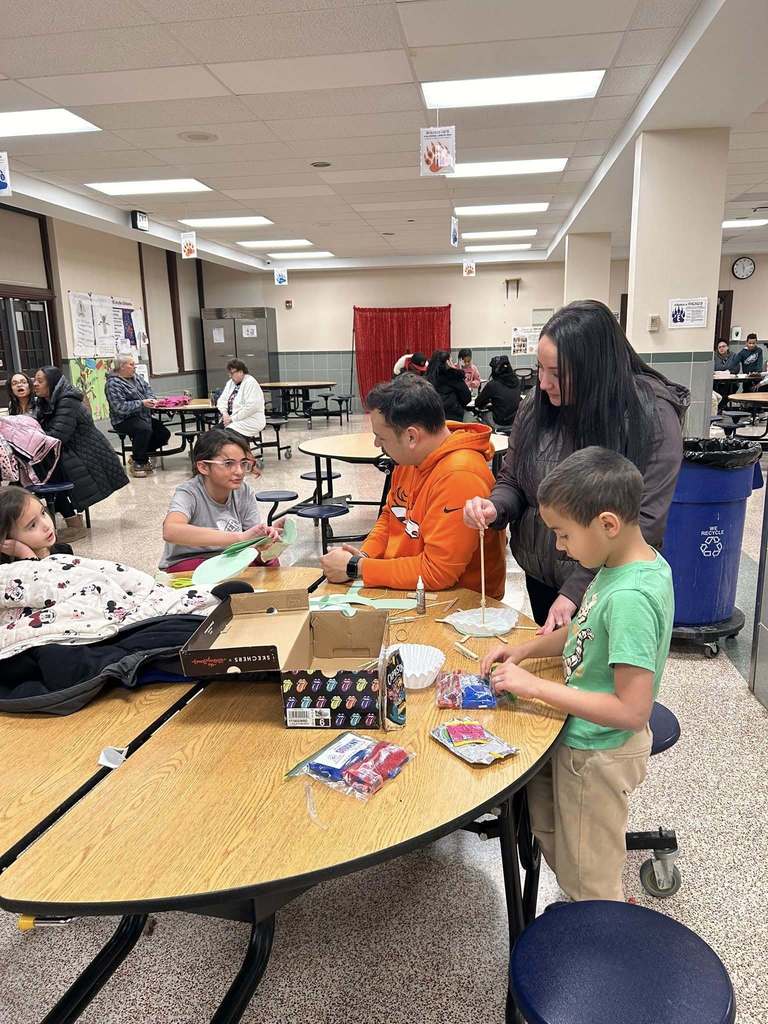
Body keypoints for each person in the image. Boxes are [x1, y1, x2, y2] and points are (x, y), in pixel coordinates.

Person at [481, 447, 673, 903]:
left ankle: (602, 927)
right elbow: (580, 633)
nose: (559, 546)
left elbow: (631, 709)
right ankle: (583, 898)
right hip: (578, 737)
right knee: (555, 834)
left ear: (607, 524)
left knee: (591, 876)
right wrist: (527, 650)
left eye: (563, 534)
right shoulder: (613, 565)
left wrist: (536, 687)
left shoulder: (630, 598)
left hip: (599, 752)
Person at [464, 300, 688, 634]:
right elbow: (514, 477)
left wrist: (575, 590)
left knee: (593, 673)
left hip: (608, 585)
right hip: (542, 573)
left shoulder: (650, 416)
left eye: (556, 374)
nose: (542, 383)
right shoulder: (536, 407)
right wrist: (495, 507)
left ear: (596, 369)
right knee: (554, 669)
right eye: (540, 369)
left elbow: (645, 520)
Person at [320, 375, 505, 596]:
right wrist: (364, 556)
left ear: (411, 437)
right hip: (413, 587)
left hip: (459, 604)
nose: (377, 444)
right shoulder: (412, 458)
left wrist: (356, 568)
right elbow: (390, 516)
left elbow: (438, 572)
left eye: (381, 437)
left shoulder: (460, 476)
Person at [160, 429, 279, 572]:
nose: (239, 471)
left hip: (229, 558)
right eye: (228, 463)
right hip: (190, 561)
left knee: (270, 562)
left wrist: (266, 541)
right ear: (203, 467)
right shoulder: (189, 492)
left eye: (243, 463)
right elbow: (171, 531)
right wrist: (239, 538)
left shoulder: (243, 491)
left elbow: (252, 543)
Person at [33, 366, 129, 541]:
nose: (35, 384)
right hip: (66, 449)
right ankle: (63, 517)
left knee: (50, 475)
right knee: (39, 471)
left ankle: (72, 522)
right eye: (34, 380)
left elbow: (58, 434)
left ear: (52, 383)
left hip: (84, 451)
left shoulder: (67, 400)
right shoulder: (44, 401)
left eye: (40, 381)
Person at [105, 354, 171, 478]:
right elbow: (119, 407)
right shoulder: (112, 384)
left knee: (163, 434)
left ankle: (137, 455)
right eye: (131, 364)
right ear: (122, 367)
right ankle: (139, 462)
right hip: (123, 420)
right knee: (144, 429)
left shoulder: (136, 378)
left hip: (143, 416)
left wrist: (151, 400)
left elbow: (148, 390)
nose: (134, 367)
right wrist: (141, 404)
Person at [0, 489, 73, 563]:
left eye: (43, 513)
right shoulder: (8, 568)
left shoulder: (63, 551)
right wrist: (26, 554)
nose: (47, 525)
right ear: (6, 538)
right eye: (33, 525)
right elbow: (42, 574)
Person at [216, 359, 266, 440]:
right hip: (230, 420)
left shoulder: (250, 382)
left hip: (250, 420)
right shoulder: (230, 383)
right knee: (212, 434)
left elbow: (251, 407)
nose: (230, 376)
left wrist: (232, 419)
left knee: (228, 435)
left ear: (241, 372)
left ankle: (242, 452)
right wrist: (225, 414)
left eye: (232, 373)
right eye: (229, 373)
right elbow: (222, 401)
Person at [474, 355, 521, 427]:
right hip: (515, 421)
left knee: (480, 415)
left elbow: (477, 403)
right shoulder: (517, 381)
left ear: (495, 370)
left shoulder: (492, 385)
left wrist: (488, 403)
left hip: (500, 422)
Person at [425, 349, 472, 421]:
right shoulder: (454, 377)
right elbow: (467, 398)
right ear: (447, 362)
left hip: (431, 419)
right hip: (452, 418)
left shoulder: (427, 378)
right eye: (451, 360)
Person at [713, 340, 738, 410]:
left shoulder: (734, 356)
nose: (721, 348)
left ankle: (722, 405)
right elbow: (714, 369)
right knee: (717, 387)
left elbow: (736, 369)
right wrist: (725, 371)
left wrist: (725, 372)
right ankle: (721, 406)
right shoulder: (714, 356)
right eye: (719, 347)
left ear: (727, 347)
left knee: (733, 386)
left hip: (730, 381)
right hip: (717, 381)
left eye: (723, 346)